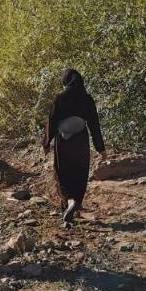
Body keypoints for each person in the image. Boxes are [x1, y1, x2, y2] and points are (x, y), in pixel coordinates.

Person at [43, 68, 105, 228]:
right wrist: (100, 148)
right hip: (80, 142)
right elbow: (94, 125)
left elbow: (52, 120)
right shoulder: (87, 99)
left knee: (62, 174)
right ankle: (76, 202)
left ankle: (69, 202)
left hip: (63, 143)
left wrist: (46, 142)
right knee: (79, 173)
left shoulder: (60, 98)